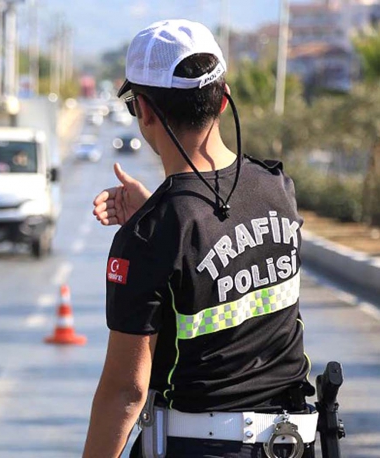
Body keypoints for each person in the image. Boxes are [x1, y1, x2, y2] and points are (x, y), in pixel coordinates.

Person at [83, 20, 317, 458]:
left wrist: (155, 220)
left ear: (146, 112)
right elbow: (222, 237)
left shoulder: (153, 233)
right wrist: (159, 211)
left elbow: (125, 393)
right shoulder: (277, 189)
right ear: (224, 100)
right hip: (292, 446)